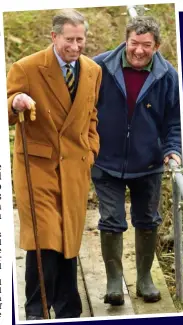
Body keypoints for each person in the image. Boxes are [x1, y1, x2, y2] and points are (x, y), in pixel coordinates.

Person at [7, 9, 102, 320]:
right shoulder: (28, 67)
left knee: (69, 236)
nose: (75, 47)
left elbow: (90, 116)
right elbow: (6, 110)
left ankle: (67, 307)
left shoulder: (92, 70)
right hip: (38, 168)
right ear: (54, 37)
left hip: (75, 166)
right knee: (44, 237)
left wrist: (91, 150)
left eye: (80, 40)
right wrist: (16, 101)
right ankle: (36, 309)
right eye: (69, 40)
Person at [91, 16, 181, 306]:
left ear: (156, 46)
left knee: (147, 220)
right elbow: (81, 108)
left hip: (149, 164)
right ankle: (114, 281)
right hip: (106, 160)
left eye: (146, 45)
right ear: (125, 41)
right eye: (134, 44)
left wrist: (173, 149)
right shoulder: (99, 67)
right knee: (112, 220)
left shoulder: (169, 76)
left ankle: (144, 278)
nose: (139, 50)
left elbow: (173, 122)